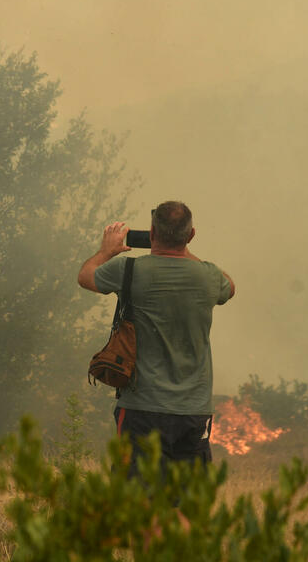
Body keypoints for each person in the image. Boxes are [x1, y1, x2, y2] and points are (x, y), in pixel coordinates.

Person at [77, 201, 235, 474]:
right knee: (188, 502)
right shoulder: (208, 277)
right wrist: (184, 250)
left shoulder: (128, 270)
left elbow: (85, 276)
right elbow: (229, 286)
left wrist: (105, 252)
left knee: (135, 499)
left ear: (151, 234)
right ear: (191, 235)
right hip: (193, 411)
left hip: (141, 409)